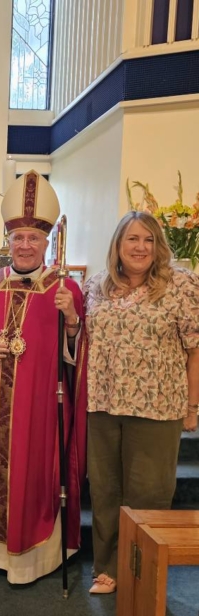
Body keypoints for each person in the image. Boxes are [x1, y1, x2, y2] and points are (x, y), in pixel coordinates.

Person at [0, 170, 87, 585]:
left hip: (40, 407)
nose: (26, 245)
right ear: (8, 240)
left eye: (34, 237)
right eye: (19, 238)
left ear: (47, 243)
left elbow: (78, 354)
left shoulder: (65, 289)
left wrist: (72, 320)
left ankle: (34, 559)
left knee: (34, 475)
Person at [84, 211, 199, 594]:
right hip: (103, 404)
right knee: (105, 490)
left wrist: (193, 407)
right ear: (118, 244)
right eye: (132, 239)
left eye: (148, 239)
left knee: (148, 493)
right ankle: (107, 567)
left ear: (159, 246)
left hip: (158, 405)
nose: (140, 247)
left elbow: (195, 350)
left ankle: (141, 570)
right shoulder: (96, 286)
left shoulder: (180, 284)